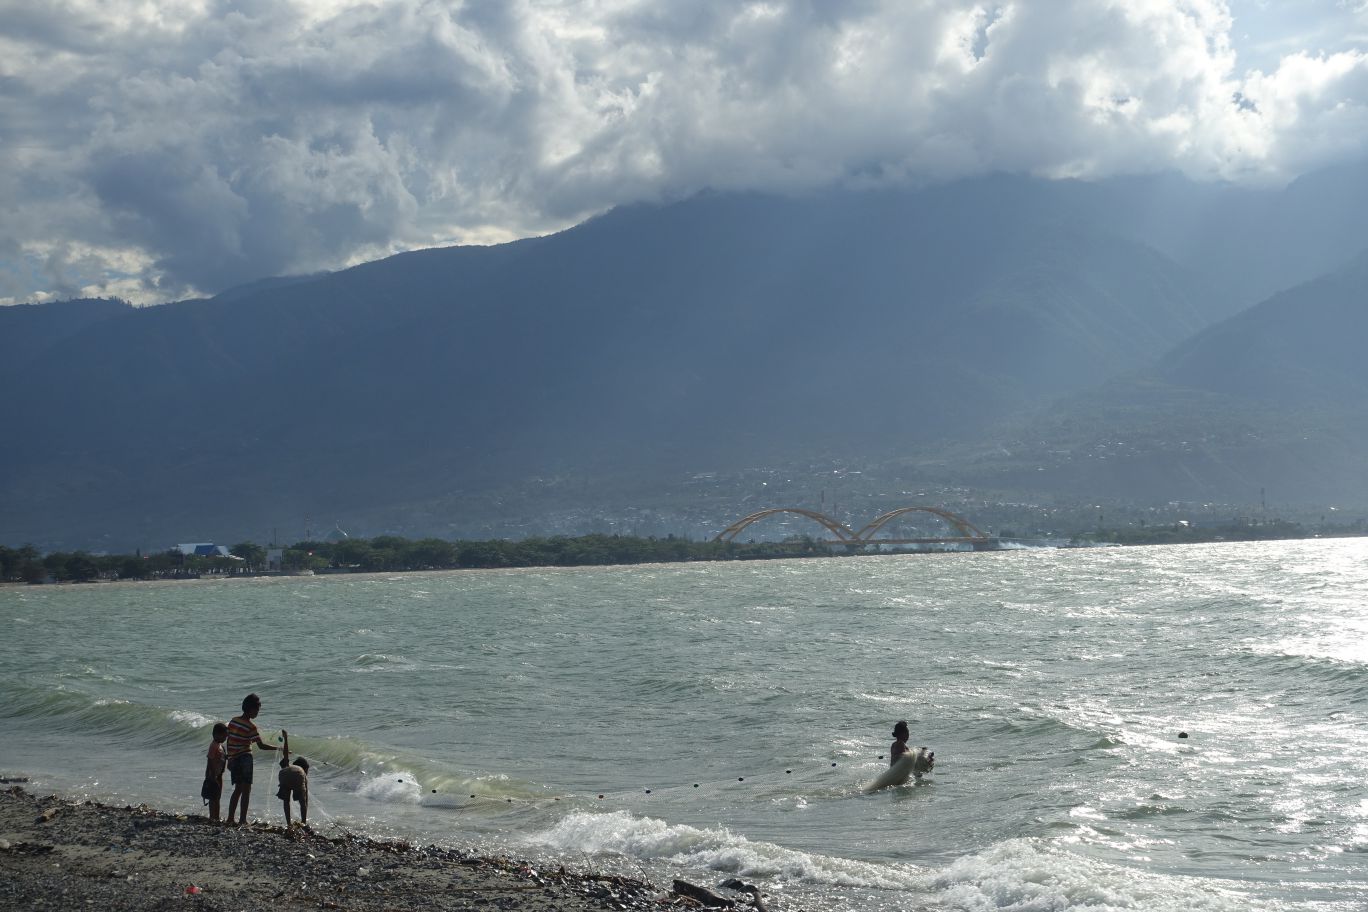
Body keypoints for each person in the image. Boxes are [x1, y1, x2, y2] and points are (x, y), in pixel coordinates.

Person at [224, 693, 279, 825]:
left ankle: (230, 818)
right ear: (251, 709)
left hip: (234, 759)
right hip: (245, 759)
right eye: (257, 710)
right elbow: (261, 746)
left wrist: (229, 758)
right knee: (246, 790)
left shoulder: (233, 721)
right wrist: (279, 749)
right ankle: (242, 819)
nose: (258, 713)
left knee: (237, 789)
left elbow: (229, 740)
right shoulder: (251, 727)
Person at [201, 722, 228, 821]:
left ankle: (216, 816)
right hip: (213, 775)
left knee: (217, 796)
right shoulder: (213, 746)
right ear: (216, 734)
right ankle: (213, 816)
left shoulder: (220, 746)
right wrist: (212, 775)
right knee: (213, 797)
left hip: (219, 774)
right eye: (224, 736)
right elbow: (210, 760)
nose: (225, 738)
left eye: (226, 736)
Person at [277, 749, 310, 828]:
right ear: (305, 768)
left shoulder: (288, 765)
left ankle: (289, 824)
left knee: (286, 800)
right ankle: (303, 823)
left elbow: (283, 761)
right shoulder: (301, 771)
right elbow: (306, 800)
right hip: (297, 775)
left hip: (283, 774)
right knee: (302, 801)